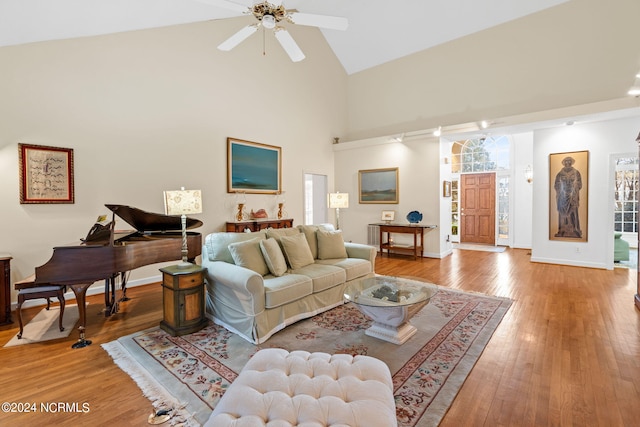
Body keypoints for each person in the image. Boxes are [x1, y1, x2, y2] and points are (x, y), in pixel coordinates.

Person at [554, 156, 582, 238]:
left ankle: (574, 230)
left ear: (571, 162)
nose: (567, 163)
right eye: (566, 161)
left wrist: (574, 186)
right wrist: (561, 187)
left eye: (569, 161)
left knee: (573, 211)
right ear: (564, 163)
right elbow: (556, 184)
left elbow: (579, 184)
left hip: (572, 195)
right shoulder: (559, 174)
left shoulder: (576, 173)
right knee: (562, 213)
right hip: (562, 196)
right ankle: (562, 230)